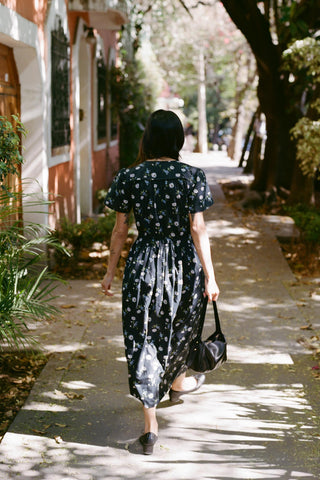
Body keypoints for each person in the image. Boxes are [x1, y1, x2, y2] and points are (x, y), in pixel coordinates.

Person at [101, 109, 219, 455]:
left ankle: (151, 425)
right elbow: (198, 229)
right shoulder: (192, 176)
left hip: (144, 264)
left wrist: (110, 272)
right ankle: (178, 380)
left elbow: (120, 230)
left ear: (148, 138)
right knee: (181, 326)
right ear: (178, 139)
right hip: (183, 264)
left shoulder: (129, 177)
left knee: (143, 336)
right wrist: (211, 277)